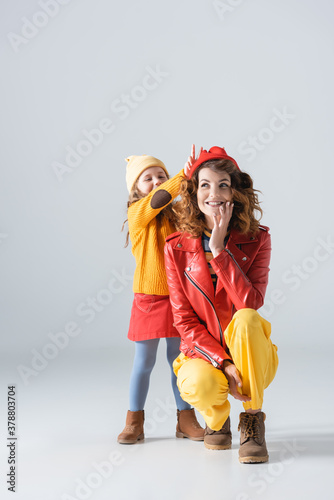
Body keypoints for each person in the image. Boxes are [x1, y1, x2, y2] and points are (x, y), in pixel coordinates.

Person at [164, 146, 279, 463]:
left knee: (245, 318)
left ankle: (253, 419)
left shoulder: (258, 239)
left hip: (251, 357)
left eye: (223, 184)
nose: (213, 193)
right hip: (203, 354)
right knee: (199, 382)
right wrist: (222, 362)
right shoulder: (175, 248)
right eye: (205, 184)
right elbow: (183, 321)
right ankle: (217, 424)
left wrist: (220, 251)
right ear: (194, 192)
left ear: (235, 190)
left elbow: (251, 302)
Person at [117, 151, 204, 444]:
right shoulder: (138, 212)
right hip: (149, 298)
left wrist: (195, 182)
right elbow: (158, 200)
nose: (155, 182)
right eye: (148, 178)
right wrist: (185, 173)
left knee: (178, 360)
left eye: (160, 176)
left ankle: (185, 418)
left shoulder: (178, 213)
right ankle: (134, 422)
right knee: (144, 361)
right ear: (136, 188)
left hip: (180, 297)